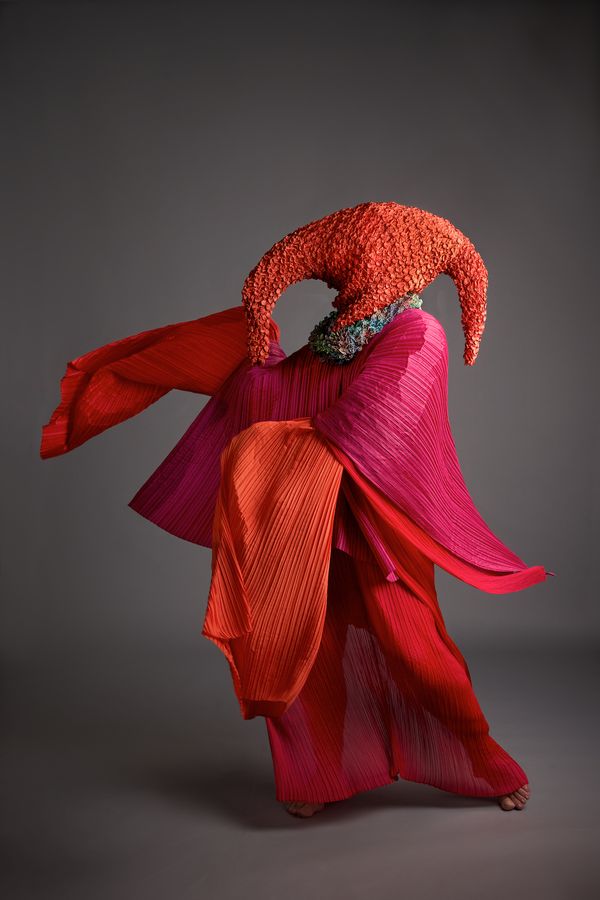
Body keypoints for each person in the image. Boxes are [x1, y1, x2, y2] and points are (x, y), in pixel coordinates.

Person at [40, 202, 554, 818]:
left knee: (417, 647)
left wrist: (269, 447)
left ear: (390, 268)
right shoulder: (332, 342)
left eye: (350, 267)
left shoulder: (419, 335)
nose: (340, 281)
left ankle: (482, 762)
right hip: (311, 523)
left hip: (376, 527)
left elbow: (374, 422)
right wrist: (252, 352)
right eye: (336, 271)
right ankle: (317, 775)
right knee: (304, 645)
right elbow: (277, 394)